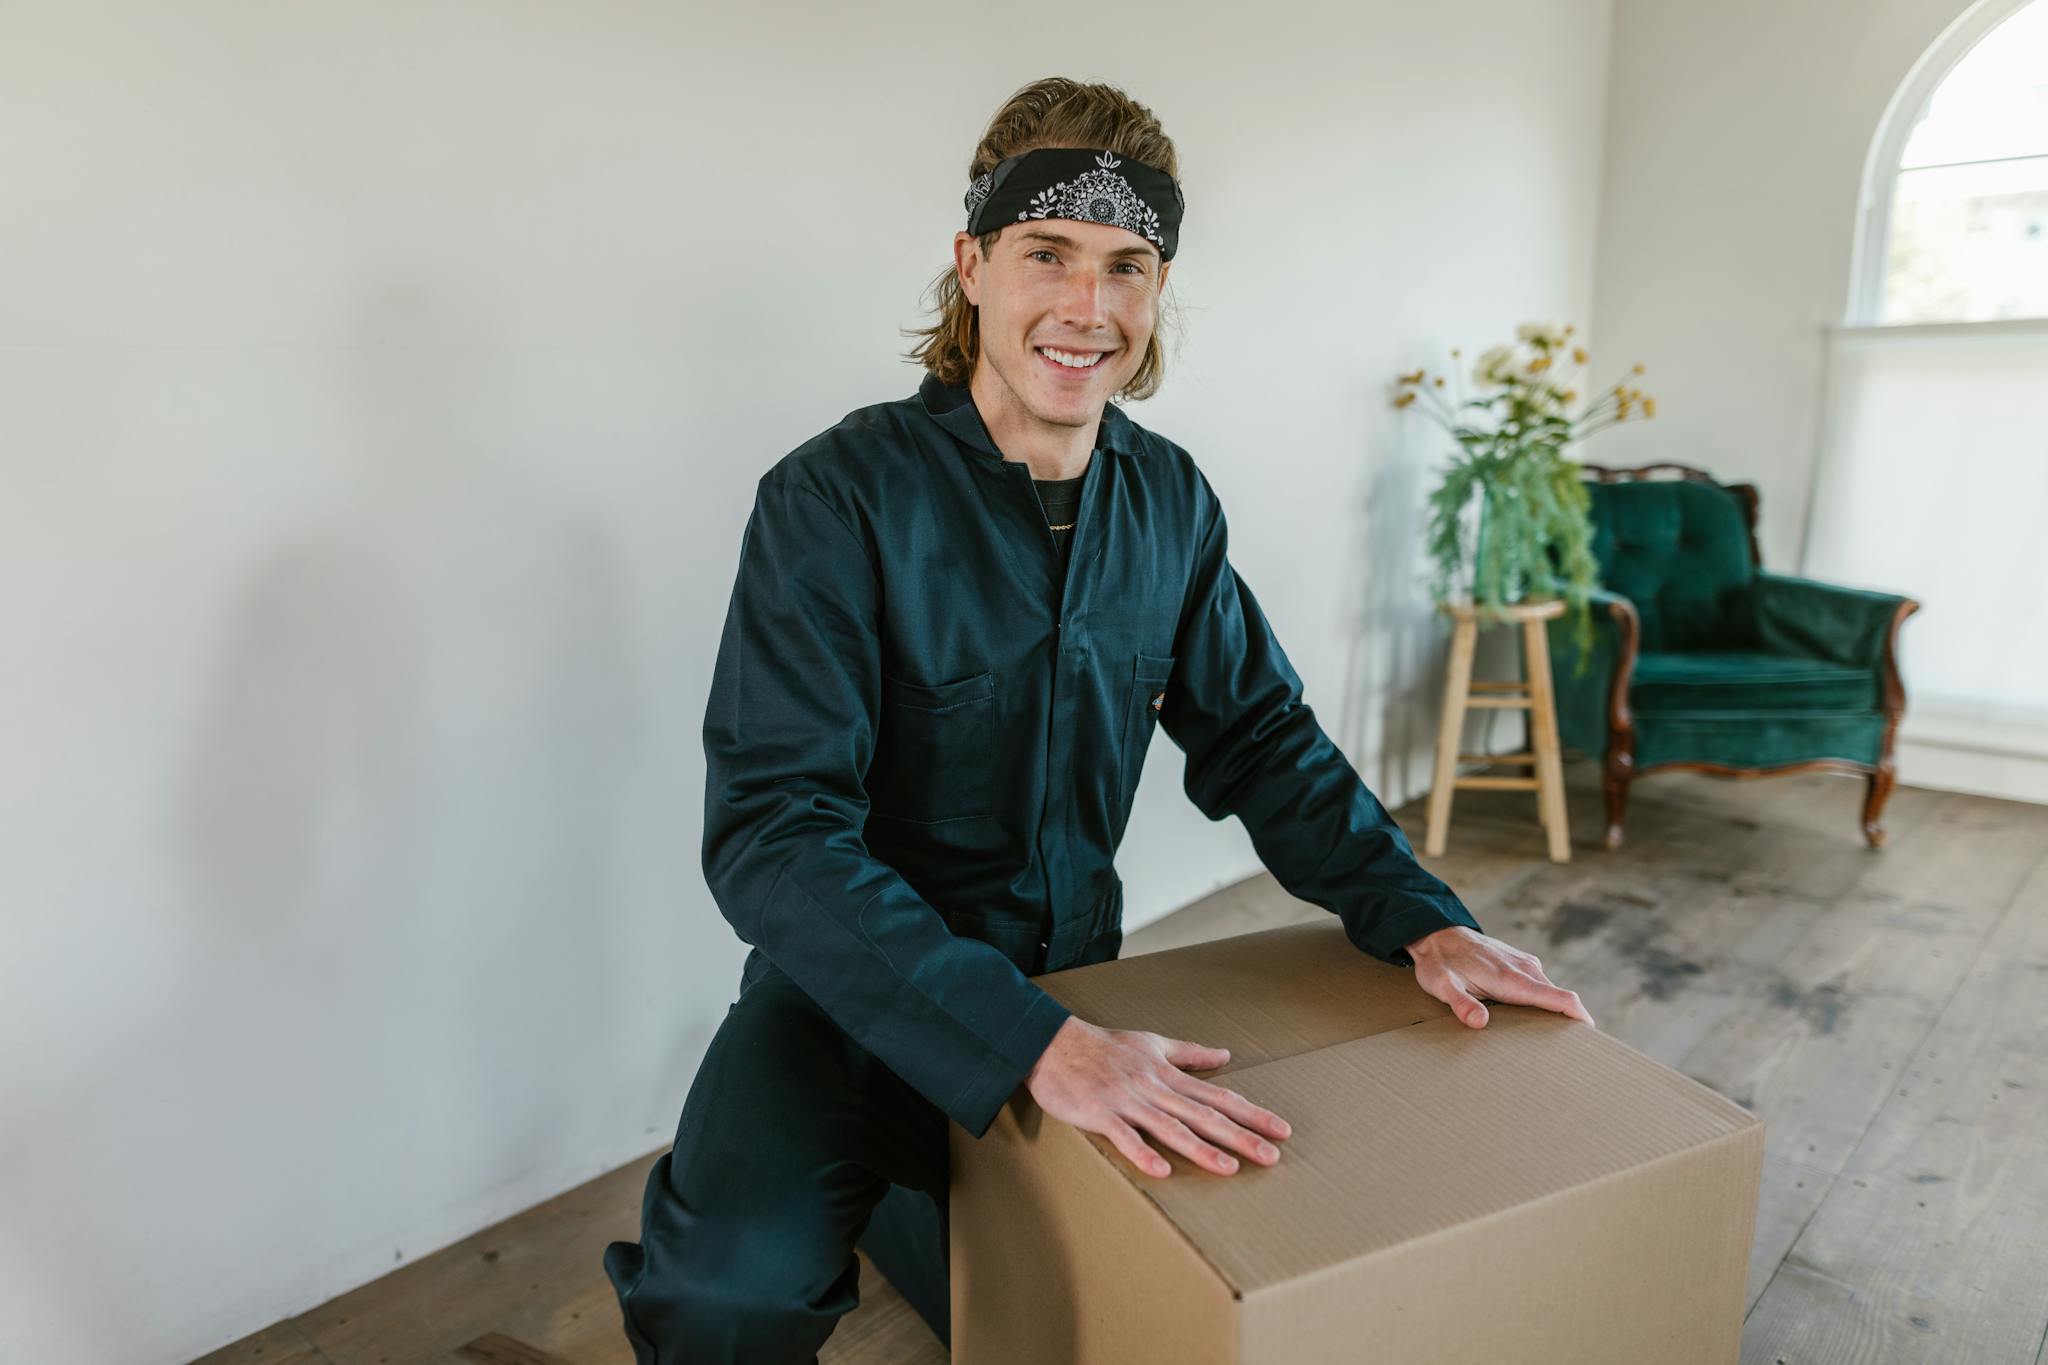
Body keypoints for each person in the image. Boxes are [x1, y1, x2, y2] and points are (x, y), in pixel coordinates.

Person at [603, 76, 1594, 1365]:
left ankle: (940, 1215)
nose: (1089, 304)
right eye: (1048, 254)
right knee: (727, 1295)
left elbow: (1262, 737)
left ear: (1160, 291)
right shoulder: (833, 499)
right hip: (844, 1004)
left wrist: (1420, 915)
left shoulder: (1170, 502)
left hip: (1079, 979)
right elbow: (774, 840)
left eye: (1130, 264)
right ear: (971, 265)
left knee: (1111, 1319)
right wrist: (1029, 1048)